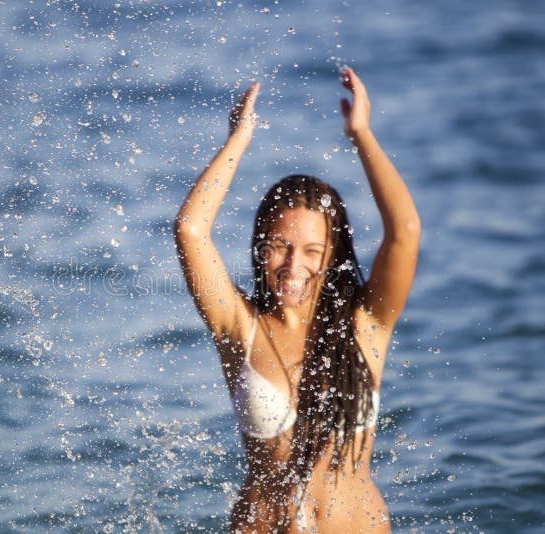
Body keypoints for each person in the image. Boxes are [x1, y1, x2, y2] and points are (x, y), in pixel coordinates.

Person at [174, 67, 420, 533]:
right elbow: (190, 230)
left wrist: (361, 135)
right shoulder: (239, 325)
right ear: (259, 248)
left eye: (311, 251)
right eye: (279, 247)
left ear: (334, 255)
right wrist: (238, 139)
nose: (293, 265)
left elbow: (405, 232)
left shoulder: (367, 322)